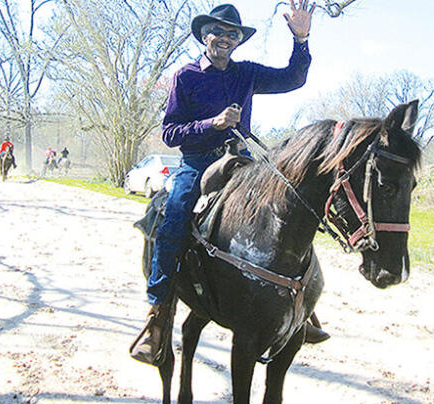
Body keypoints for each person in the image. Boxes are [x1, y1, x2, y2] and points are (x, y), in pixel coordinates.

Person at [131, 1, 328, 365]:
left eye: (231, 34)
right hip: (197, 163)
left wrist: (301, 40)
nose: (224, 38)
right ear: (205, 36)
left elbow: (293, 78)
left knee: (289, 209)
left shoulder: (247, 73)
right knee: (173, 217)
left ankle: (302, 308)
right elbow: (171, 132)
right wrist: (213, 124)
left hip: (241, 161)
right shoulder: (185, 76)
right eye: (217, 32)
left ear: (238, 40)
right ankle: (157, 316)